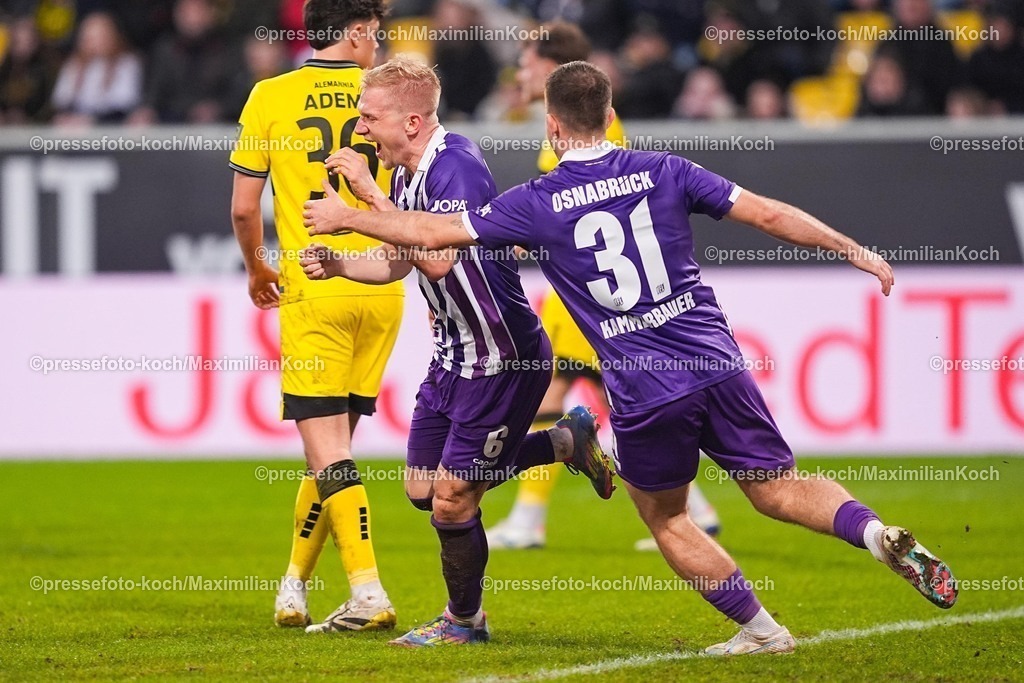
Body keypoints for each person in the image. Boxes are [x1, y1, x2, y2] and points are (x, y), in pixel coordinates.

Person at [302, 60, 959, 656]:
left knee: (666, 515)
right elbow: (767, 213)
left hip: (646, 386)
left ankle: (762, 629)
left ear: (553, 127)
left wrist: (348, 215)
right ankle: (876, 533)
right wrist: (854, 250)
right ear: (611, 113)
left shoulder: (538, 201)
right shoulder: (664, 168)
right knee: (778, 486)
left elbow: (436, 236)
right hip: (714, 359)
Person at [299, 57, 614, 647]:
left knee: (450, 500)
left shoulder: (457, 167)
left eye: (370, 117)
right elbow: (400, 260)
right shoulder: (404, 174)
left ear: (412, 121)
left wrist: (358, 207)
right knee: (423, 488)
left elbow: (438, 256)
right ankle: (563, 441)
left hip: (504, 360)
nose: (361, 129)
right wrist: (340, 262)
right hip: (454, 358)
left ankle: (464, 621)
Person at [487, 20, 722, 552]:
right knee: (615, 400)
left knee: (565, 391)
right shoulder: (592, 131)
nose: (519, 72)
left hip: (594, 293)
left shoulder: (580, 144)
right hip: (599, 288)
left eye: (525, 63)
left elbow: (579, 219)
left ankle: (529, 518)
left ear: (548, 69)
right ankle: (698, 509)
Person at [229, 0, 403, 633]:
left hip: (316, 286)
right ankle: (294, 585)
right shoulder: (389, 95)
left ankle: (368, 591)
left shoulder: (269, 95)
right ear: (355, 32)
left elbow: (246, 210)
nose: (378, 46)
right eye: (376, 35)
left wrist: (257, 269)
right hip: (385, 285)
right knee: (331, 452)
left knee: (327, 449)